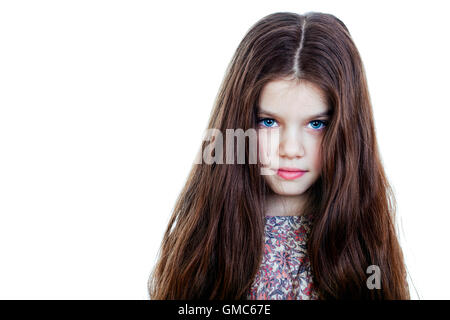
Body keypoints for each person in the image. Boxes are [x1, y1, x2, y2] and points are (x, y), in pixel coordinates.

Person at [147, 11, 410, 300]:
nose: (290, 149)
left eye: (316, 124)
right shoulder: (207, 238)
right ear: (240, 123)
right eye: (269, 122)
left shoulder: (364, 242)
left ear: (346, 131)